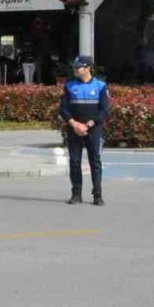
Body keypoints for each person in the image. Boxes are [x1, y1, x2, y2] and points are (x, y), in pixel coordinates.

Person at [60, 55, 110, 206]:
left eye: (78, 67)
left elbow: (104, 110)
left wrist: (87, 125)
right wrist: (74, 124)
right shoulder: (69, 86)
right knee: (74, 161)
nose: (75, 69)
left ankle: (97, 194)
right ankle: (76, 193)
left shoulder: (100, 86)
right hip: (74, 129)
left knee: (95, 161)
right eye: (74, 67)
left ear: (88, 68)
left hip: (93, 130)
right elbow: (63, 109)